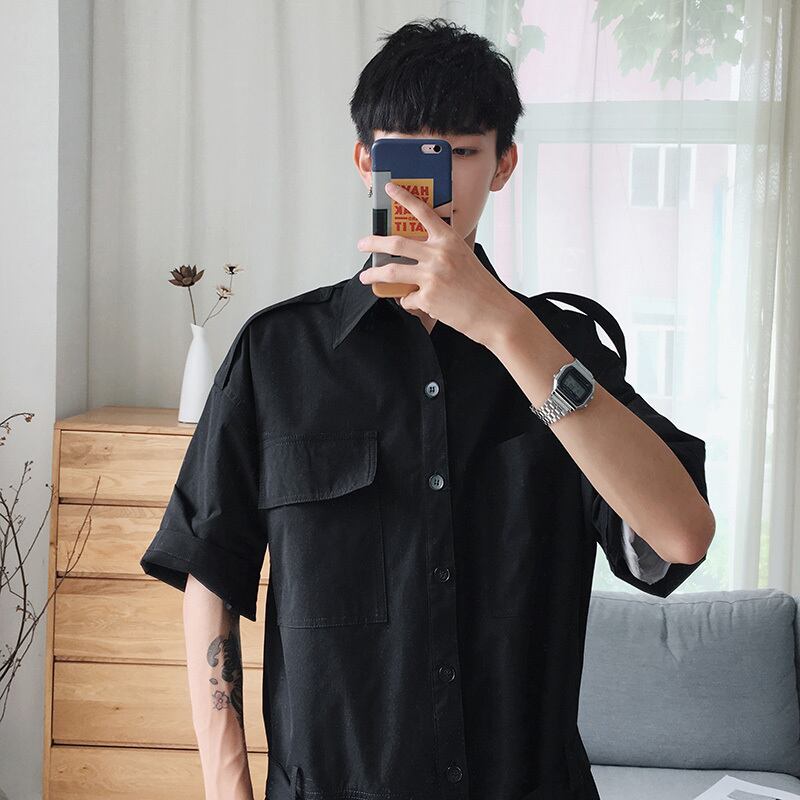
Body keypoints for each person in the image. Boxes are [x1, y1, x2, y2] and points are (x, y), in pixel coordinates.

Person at [140, 17, 715, 800]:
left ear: (504, 165)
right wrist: (226, 785)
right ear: (364, 162)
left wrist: (507, 329)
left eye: (461, 153)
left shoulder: (564, 348)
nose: (429, 184)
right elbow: (211, 567)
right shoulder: (278, 355)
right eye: (406, 154)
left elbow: (680, 535)